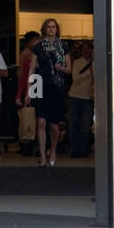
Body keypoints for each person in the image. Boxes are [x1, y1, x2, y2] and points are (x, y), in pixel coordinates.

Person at [33, 18, 70, 167]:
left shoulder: (63, 46)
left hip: (57, 87)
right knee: (41, 121)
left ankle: (53, 150)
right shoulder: (38, 46)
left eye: (53, 27)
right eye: (48, 27)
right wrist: (30, 91)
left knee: (54, 125)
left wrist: (61, 68)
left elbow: (69, 69)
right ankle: (42, 155)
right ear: (44, 29)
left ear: (57, 29)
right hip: (41, 85)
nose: (51, 29)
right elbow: (32, 69)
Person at [68, 41, 94, 157]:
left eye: (89, 49)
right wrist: (89, 72)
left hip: (88, 98)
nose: (87, 51)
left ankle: (83, 150)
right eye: (85, 49)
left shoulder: (96, 63)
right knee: (73, 125)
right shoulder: (78, 62)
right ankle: (74, 150)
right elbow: (75, 78)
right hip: (75, 97)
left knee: (86, 126)